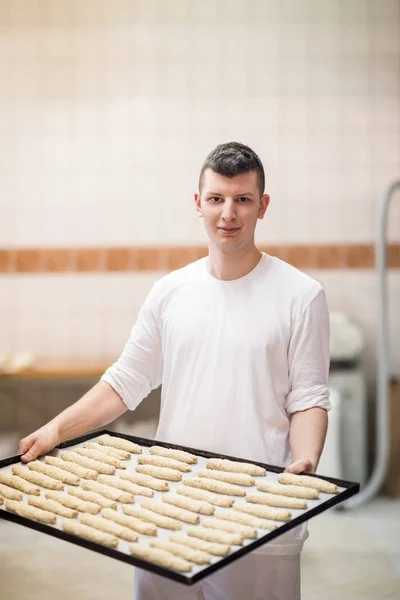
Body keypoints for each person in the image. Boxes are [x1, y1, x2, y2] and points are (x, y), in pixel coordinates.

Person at [19, 142, 331, 600]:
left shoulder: (300, 295)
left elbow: (308, 396)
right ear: (198, 203)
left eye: (243, 199)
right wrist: (56, 430)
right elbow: (126, 381)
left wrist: (305, 462)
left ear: (262, 206)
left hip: (258, 511)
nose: (229, 213)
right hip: (168, 505)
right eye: (216, 198)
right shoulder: (170, 292)